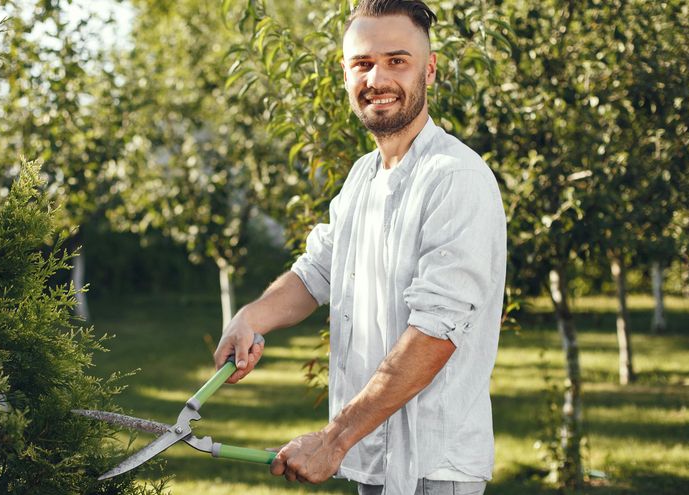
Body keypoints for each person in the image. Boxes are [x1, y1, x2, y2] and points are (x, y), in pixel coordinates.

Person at [212, 1, 506, 494]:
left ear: (429, 68)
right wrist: (251, 317)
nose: (378, 78)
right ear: (345, 72)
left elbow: (437, 332)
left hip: (433, 469)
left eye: (397, 60)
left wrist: (332, 439)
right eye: (362, 63)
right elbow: (316, 273)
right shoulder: (362, 177)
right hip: (370, 458)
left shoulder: (455, 179)